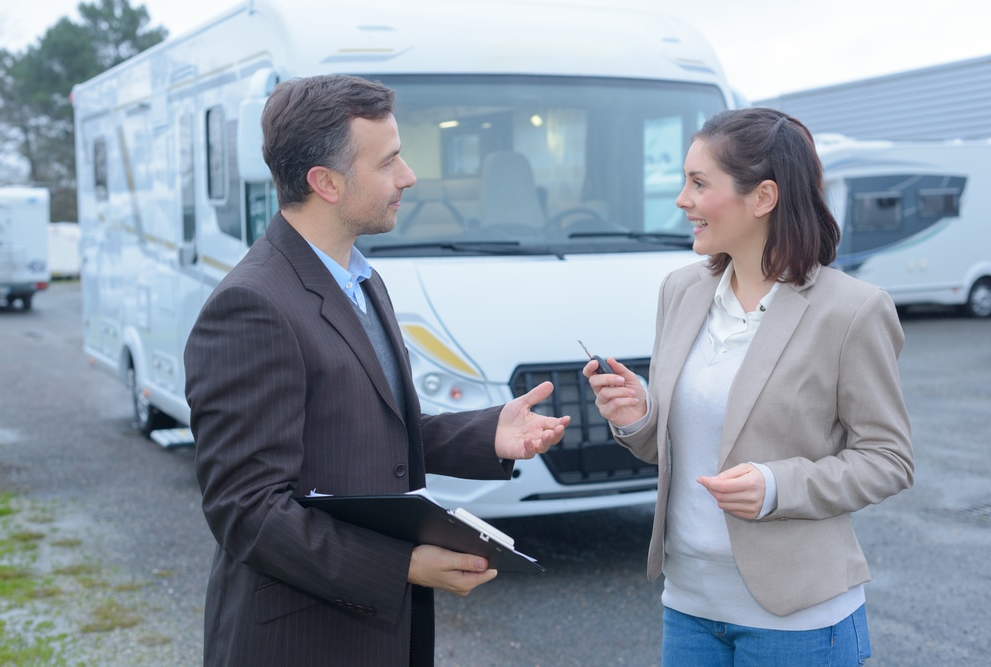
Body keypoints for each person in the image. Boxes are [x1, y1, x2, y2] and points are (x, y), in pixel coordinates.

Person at [185, 74, 570, 667]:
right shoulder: (252, 306)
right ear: (326, 183)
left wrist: (486, 433)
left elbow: (373, 426)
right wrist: (404, 565)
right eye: (389, 161)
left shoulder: (361, 279)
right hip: (299, 641)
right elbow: (247, 510)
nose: (408, 176)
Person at [583, 107, 914, 667]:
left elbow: (889, 459)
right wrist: (638, 416)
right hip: (688, 606)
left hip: (799, 621)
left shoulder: (853, 310)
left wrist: (778, 486)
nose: (682, 200)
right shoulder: (680, 290)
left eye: (698, 183)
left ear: (762, 198)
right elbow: (673, 445)